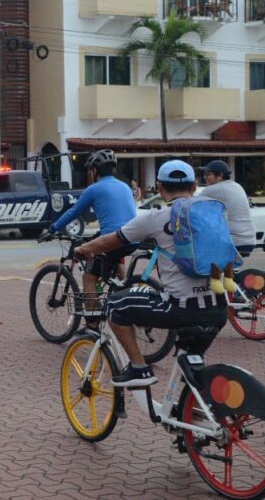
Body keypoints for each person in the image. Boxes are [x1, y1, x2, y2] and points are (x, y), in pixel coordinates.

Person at [74, 160, 230, 387]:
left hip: (181, 308)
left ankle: (139, 369)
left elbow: (112, 240)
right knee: (191, 359)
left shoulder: (156, 217)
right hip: (218, 307)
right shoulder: (210, 215)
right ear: (194, 186)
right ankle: (195, 413)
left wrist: (83, 249)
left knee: (117, 305)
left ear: (159, 187)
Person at [48, 149, 137, 333]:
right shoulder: (125, 186)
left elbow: (74, 212)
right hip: (132, 237)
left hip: (113, 239)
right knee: (116, 264)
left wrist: (53, 229)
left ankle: (92, 325)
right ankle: (128, 292)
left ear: (94, 171)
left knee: (89, 277)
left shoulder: (94, 189)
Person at [201, 160, 256, 257]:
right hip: (248, 240)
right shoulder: (237, 186)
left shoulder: (214, 189)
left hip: (233, 240)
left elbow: (191, 205)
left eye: (208, 174)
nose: (205, 177)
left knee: (202, 256)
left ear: (220, 176)